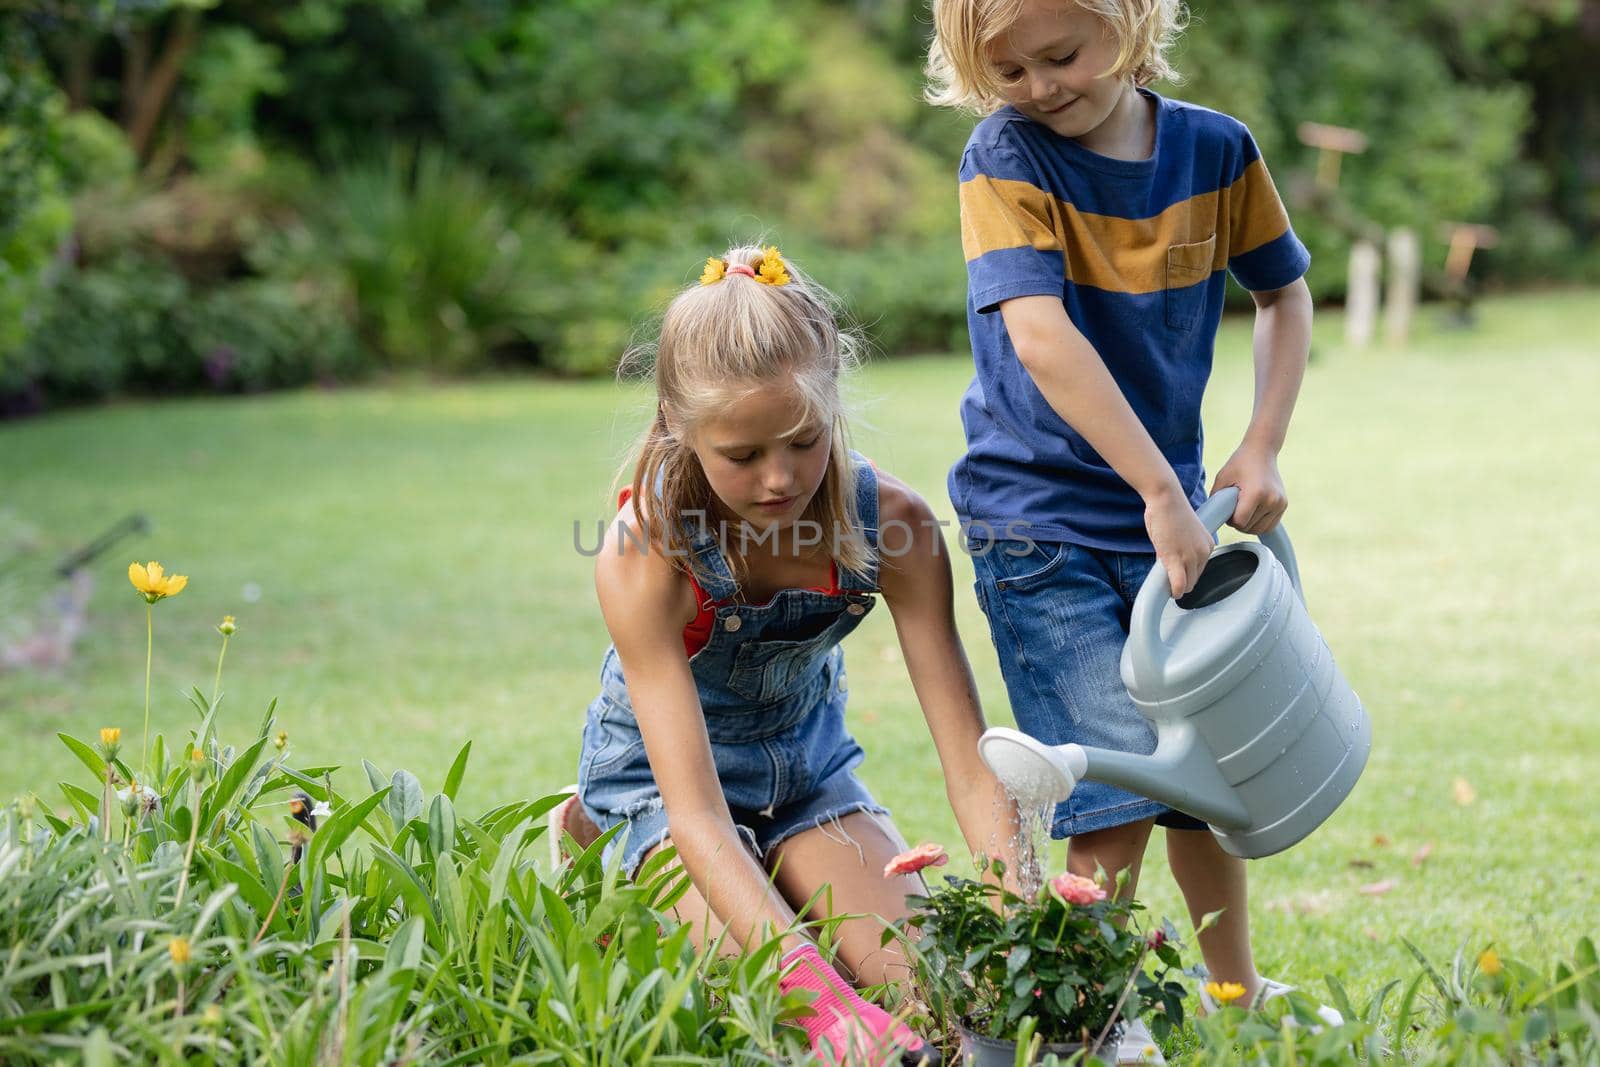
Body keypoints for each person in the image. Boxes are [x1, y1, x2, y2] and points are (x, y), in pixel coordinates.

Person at [925, 0, 1343, 1060]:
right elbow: (1039, 333)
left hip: (1172, 514)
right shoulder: (1001, 156)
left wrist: (1260, 444)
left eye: (1059, 54)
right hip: (1039, 520)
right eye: (1006, 69)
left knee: (1199, 771)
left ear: (1130, 20)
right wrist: (1161, 488)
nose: (1038, 86)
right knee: (1112, 779)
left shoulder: (1215, 151)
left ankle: (1235, 991)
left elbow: (1285, 297)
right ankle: (1091, 1017)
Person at [554, 244, 1017, 1067]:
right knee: (785, 1006)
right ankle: (594, 830)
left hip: (807, 777)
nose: (779, 478)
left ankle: (784, 874)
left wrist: (1021, 925)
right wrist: (828, 1009)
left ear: (833, 400)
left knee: (938, 993)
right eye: (741, 456)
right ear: (681, 429)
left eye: (803, 441)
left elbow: (971, 764)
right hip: (664, 797)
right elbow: (695, 813)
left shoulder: (896, 525)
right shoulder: (644, 553)